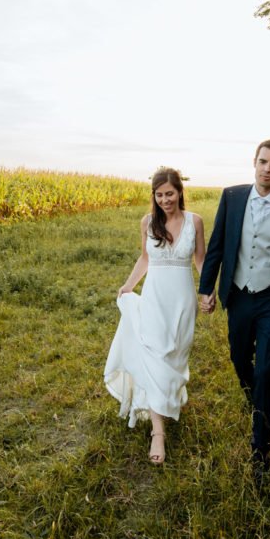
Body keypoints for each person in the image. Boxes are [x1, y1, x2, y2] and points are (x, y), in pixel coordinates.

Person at [198, 139, 270, 485]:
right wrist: (206, 288)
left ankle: (260, 449)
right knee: (238, 359)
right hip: (239, 294)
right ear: (254, 162)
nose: (267, 169)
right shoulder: (232, 197)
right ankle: (255, 394)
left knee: (266, 370)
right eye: (263, 161)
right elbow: (217, 245)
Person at [104, 168, 206, 464]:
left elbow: (201, 259)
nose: (164, 200)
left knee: (176, 354)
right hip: (155, 298)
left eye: (169, 194)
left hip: (183, 299)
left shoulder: (195, 222)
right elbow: (146, 258)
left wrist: (208, 290)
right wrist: (128, 285)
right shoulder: (148, 222)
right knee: (155, 354)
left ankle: (169, 399)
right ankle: (157, 432)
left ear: (179, 192)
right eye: (159, 195)